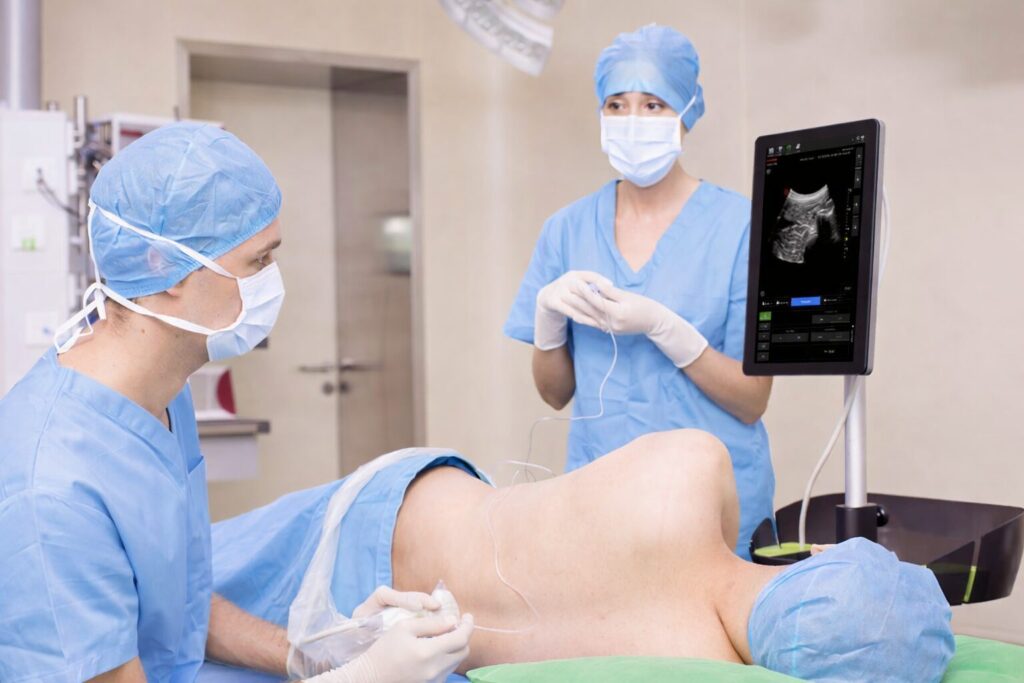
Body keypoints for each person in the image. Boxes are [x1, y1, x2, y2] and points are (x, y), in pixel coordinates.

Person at [0, 123, 471, 683]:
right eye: (258, 262)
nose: (272, 283)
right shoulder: (52, 490)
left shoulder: (160, 397)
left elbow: (175, 604)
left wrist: (317, 656)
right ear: (164, 270)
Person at [207, 429, 956, 682]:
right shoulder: (690, 664)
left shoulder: (695, 466)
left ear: (819, 556)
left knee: (154, 583)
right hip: (385, 632)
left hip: (385, 510)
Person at [504, 24, 774, 557]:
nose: (633, 121)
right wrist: (547, 319)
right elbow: (555, 394)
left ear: (686, 112)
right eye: (616, 105)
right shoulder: (567, 229)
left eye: (653, 104)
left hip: (711, 506)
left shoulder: (742, 226)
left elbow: (751, 399)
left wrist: (666, 328)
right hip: (597, 498)